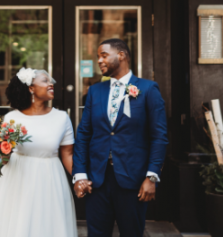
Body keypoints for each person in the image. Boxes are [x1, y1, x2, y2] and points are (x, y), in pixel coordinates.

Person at [72, 38, 168, 237]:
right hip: (97, 180)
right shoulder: (95, 91)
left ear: (121, 55)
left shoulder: (149, 89)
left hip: (133, 179)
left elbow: (159, 136)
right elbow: (83, 134)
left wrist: (151, 176)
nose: (99, 60)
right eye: (98, 56)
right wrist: (80, 174)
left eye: (104, 55)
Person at [0, 68, 78, 237]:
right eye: (45, 81)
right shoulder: (11, 118)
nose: (51, 84)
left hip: (50, 179)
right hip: (17, 180)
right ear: (31, 88)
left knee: (48, 224)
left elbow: (67, 154)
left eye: (50, 81)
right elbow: (1, 158)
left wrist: (79, 178)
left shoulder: (61, 118)